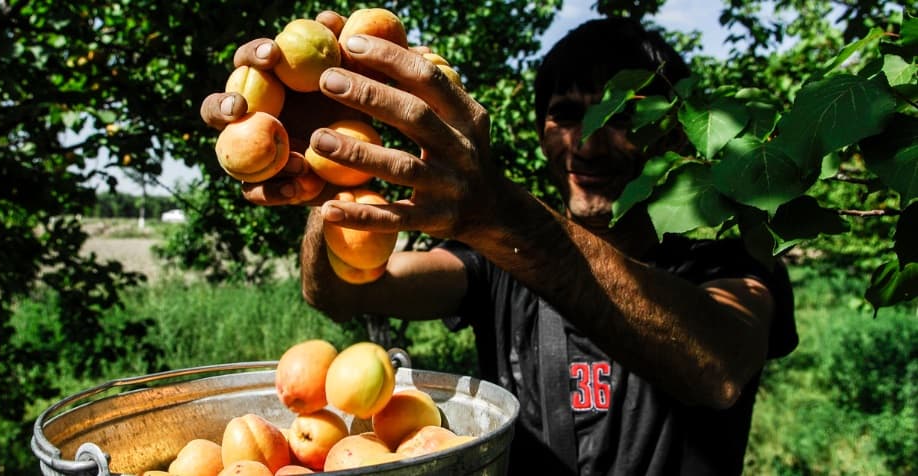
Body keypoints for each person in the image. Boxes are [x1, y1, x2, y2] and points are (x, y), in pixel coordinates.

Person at [202, 13, 797, 475]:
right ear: (541, 130)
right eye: (566, 114)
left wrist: (507, 219)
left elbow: (717, 367)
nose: (587, 144)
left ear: (669, 125)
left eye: (616, 117)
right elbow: (346, 288)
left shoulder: (725, 260)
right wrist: (336, 177)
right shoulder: (497, 266)